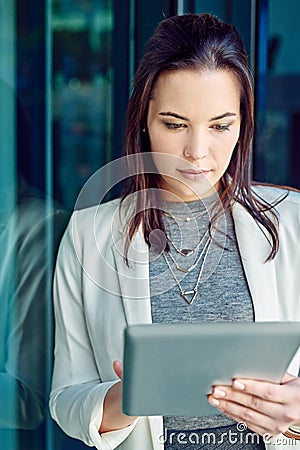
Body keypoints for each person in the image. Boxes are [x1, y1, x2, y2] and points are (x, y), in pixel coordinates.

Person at [49, 13, 300, 450]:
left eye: (221, 126)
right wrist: (125, 399)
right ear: (143, 120)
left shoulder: (293, 222)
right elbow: (66, 397)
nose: (197, 152)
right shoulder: (90, 234)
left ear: (243, 123)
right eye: (175, 124)